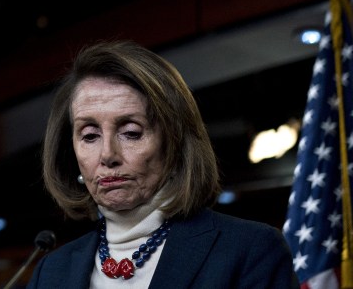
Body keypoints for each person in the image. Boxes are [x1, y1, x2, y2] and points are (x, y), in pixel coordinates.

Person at [26, 39, 299, 289]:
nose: (107, 154)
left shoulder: (250, 250)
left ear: (175, 142)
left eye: (131, 133)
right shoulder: (50, 272)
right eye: (90, 136)